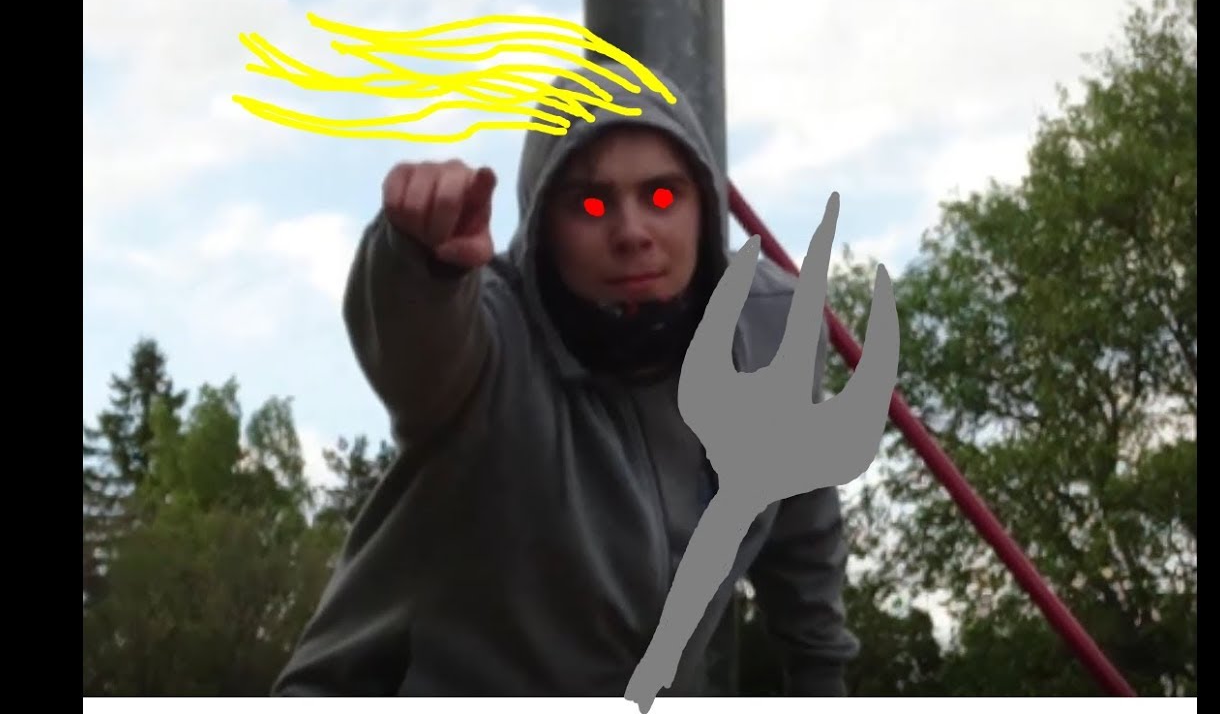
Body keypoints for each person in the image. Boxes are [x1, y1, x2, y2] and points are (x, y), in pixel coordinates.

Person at [272, 60, 859, 697]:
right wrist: (417, 259)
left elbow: (802, 530)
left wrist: (822, 682)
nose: (632, 232)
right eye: (590, 203)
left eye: (662, 196)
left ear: (704, 208)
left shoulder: (773, 327)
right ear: (543, 223)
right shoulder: (492, 336)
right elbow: (415, 349)